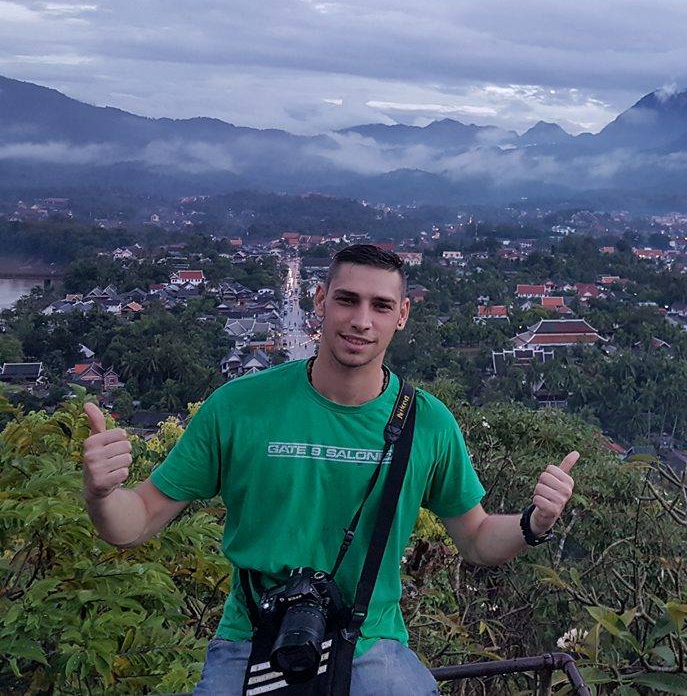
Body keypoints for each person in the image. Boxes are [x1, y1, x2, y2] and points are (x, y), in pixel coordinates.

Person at [82, 244, 579, 695]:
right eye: (347, 300)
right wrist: (102, 494)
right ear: (320, 300)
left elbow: (475, 538)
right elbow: (136, 522)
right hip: (253, 636)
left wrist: (533, 523)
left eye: (380, 306)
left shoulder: (426, 424)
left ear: (402, 315)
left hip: (368, 640)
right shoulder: (239, 408)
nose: (361, 320)